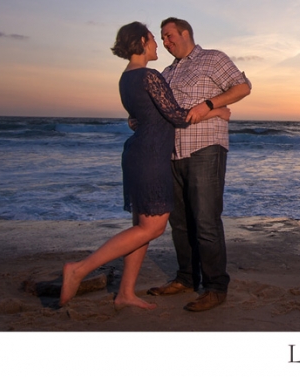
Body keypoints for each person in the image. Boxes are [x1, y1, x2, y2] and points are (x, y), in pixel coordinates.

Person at [60, 22, 230, 309]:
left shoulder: (126, 78)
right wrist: (215, 110)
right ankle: (78, 269)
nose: (158, 44)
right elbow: (175, 115)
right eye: (153, 39)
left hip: (138, 152)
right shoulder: (150, 76)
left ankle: (125, 292)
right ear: (141, 41)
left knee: (141, 226)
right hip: (151, 156)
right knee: (152, 228)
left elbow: (140, 117)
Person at [147, 17, 251, 312]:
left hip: (206, 148)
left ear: (185, 33)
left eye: (168, 36)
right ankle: (186, 278)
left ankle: (216, 286)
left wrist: (209, 106)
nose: (165, 42)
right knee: (179, 223)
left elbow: (242, 87)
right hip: (172, 153)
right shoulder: (165, 73)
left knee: (205, 221)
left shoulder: (212, 59)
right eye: (162, 38)